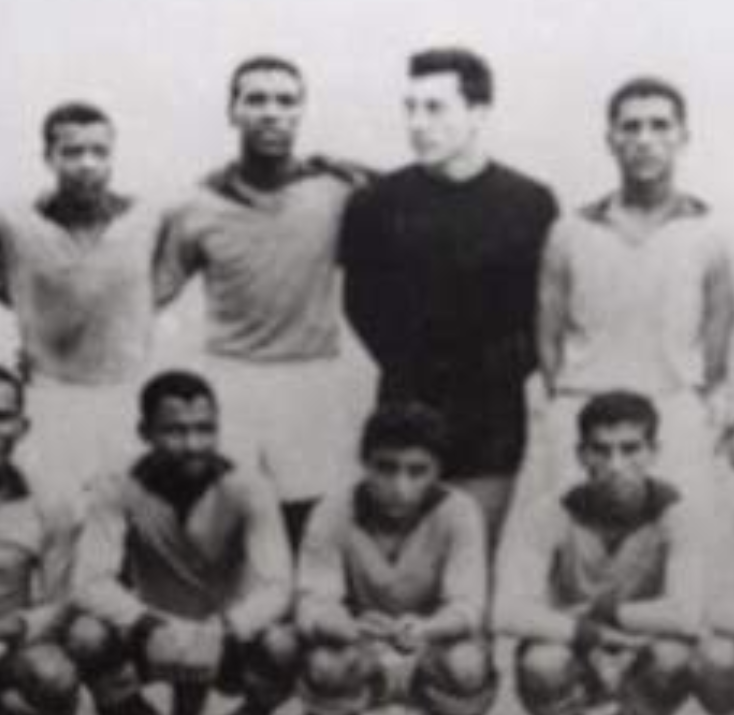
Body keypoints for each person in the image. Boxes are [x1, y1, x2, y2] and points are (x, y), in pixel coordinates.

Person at [342, 47, 558, 562]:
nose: (417, 123)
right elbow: (361, 304)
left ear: (478, 112)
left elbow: (545, 309)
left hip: (491, 415)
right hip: (405, 403)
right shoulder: (377, 203)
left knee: (475, 557)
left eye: (435, 108)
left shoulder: (530, 202)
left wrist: (498, 369)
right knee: (404, 563)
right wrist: (411, 364)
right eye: (410, 108)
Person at [154, 55, 372, 549]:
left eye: (285, 101)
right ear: (232, 111)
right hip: (231, 376)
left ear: (301, 112)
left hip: (310, 375)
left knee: (309, 521)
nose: (271, 112)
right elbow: (149, 294)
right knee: (227, 516)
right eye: (255, 100)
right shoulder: (197, 204)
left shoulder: (336, 192)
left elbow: (407, 207)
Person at [69, 370, 296, 715]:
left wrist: (226, 628)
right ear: (145, 432)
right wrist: (148, 622)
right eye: (175, 431)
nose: (193, 444)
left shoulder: (249, 487)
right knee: (86, 635)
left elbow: (278, 586)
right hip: (151, 630)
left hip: (224, 632)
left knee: (282, 644)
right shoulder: (117, 485)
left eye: (205, 429)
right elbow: (89, 582)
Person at [537, 76, 734, 501]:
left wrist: (705, 410)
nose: (645, 140)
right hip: (585, 414)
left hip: (674, 418)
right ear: (611, 139)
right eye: (631, 127)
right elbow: (548, 337)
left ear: (683, 137)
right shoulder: (569, 231)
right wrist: (567, 406)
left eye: (660, 126)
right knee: (573, 532)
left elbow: (715, 351)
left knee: (688, 532)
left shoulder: (711, 233)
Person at [495, 391, 704, 715]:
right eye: (601, 450)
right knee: (541, 662)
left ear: (654, 452)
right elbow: (506, 612)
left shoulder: (677, 514)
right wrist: (590, 632)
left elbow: (687, 614)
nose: (615, 465)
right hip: (576, 645)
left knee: (676, 656)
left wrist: (602, 611)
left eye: (630, 449)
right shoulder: (551, 512)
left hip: (641, 646)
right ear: (582, 454)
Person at [296, 402, 495, 715]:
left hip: (430, 646)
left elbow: (467, 605)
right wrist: (347, 626)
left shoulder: (460, 511)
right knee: (325, 663)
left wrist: (428, 627)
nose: (400, 487)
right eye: (385, 468)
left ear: (438, 470)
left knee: (468, 663)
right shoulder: (332, 510)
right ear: (364, 463)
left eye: (417, 471)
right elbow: (312, 603)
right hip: (359, 646)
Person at [0, 101, 162, 501]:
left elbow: (164, 282)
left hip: (126, 394)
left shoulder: (147, 219)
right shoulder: (16, 223)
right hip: (49, 396)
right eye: (72, 152)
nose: (88, 164)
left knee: (127, 509)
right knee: (54, 509)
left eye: (99, 152)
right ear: (48, 157)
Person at [0, 367, 82, 715]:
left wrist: (18, 626)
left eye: (2, 417)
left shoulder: (48, 506)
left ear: (22, 427)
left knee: (54, 678)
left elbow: (58, 603)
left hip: (7, 647)